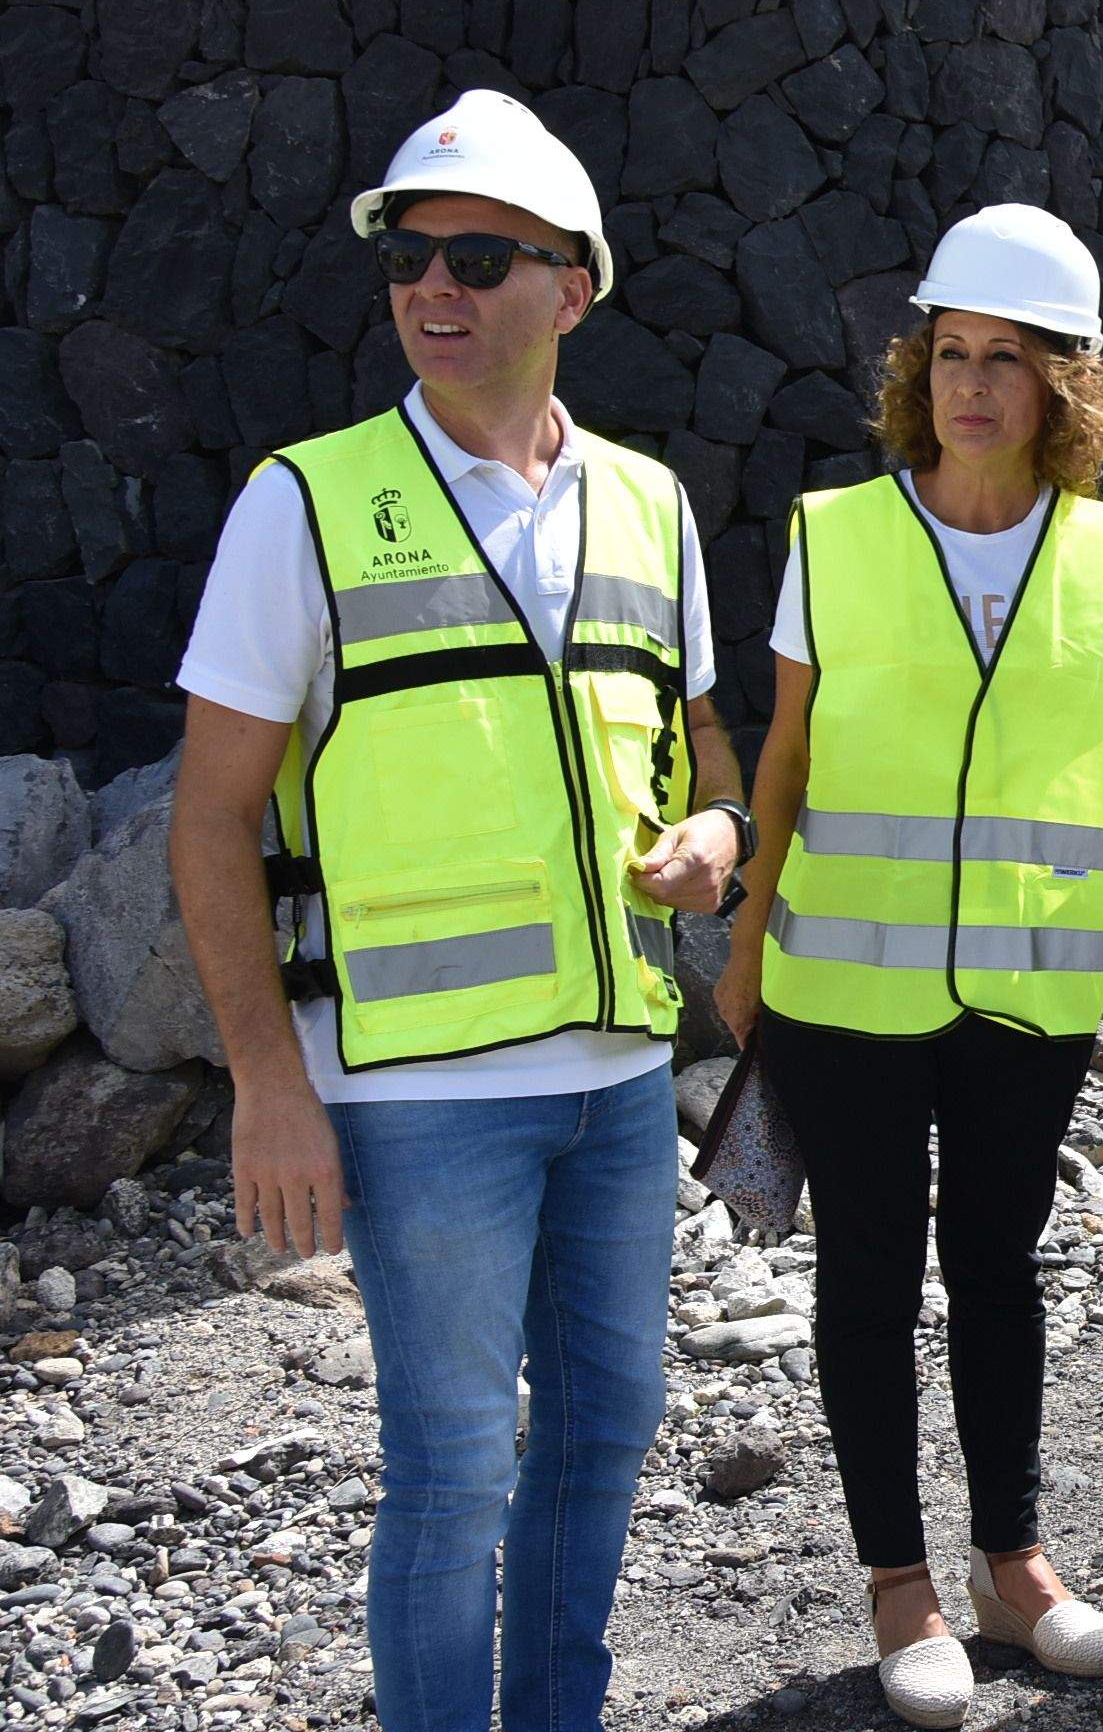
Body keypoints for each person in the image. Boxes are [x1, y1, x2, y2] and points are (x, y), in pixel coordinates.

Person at [170, 89, 744, 1732]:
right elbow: (208, 821)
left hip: (622, 1081)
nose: (433, 287)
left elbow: (711, 754)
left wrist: (716, 836)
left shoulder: (647, 504)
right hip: (418, 1099)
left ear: (573, 286)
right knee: (446, 1477)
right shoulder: (304, 505)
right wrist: (270, 1086)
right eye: (409, 258)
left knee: (604, 1434)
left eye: (478, 257)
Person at [712, 203, 1103, 1723]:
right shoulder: (836, 537)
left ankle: (1013, 1568)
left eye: (1009, 358)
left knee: (1000, 1270)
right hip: (844, 986)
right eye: (951, 352)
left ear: (1063, 386)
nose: (972, 383)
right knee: (870, 1276)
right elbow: (783, 761)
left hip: (1029, 991)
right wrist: (751, 937)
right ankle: (901, 1585)